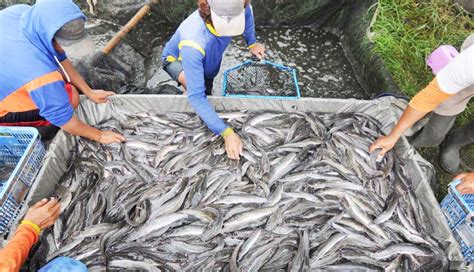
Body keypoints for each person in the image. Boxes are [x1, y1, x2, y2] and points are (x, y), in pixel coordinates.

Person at [0, 0, 125, 144]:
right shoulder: (41, 76)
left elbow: (60, 56)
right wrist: (99, 135)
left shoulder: (22, 13)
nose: (66, 49)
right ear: (50, 38)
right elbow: (63, 120)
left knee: (65, 91)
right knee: (71, 98)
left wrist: (89, 91)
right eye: (65, 44)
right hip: (4, 110)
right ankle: (37, 133)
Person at [161, 0, 266, 160]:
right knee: (196, 91)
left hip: (208, 56)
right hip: (177, 59)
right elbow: (197, 97)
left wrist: (252, 43)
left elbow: (247, 12)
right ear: (209, 13)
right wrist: (227, 133)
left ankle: (196, 86)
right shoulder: (193, 41)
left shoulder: (237, 7)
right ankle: (186, 86)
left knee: (207, 82)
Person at [370, 34, 473, 173]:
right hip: (466, 70)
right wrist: (394, 135)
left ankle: (457, 141)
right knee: (450, 99)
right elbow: (431, 95)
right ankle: (447, 137)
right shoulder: (469, 65)